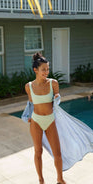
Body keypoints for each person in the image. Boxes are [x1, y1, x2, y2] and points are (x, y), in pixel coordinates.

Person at [24, 52, 66, 184]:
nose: (46, 72)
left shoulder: (53, 83)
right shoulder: (29, 86)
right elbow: (31, 103)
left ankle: (60, 179)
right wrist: (28, 117)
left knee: (57, 153)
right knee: (38, 151)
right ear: (35, 70)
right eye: (44, 69)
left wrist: (57, 98)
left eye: (48, 69)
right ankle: (41, 180)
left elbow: (57, 98)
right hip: (36, 121)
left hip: (50, 120)